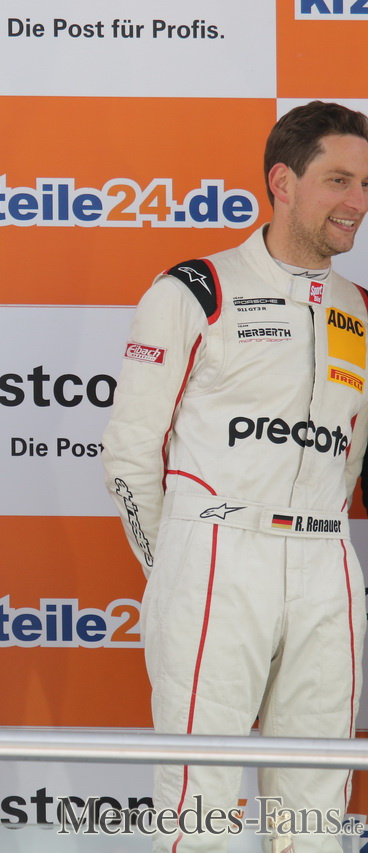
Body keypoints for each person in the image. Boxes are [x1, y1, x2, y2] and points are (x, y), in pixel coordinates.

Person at [102, 101, 368, 852]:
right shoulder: (196, 290)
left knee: (316, 817)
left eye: (365, 184)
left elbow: (350, 454)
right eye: (339, 180)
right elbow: (130, 452)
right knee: (200, 811)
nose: (357, 202)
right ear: (282, 182)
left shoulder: (359, 309)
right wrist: (176, 565)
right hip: (217, 555)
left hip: (326, 561)